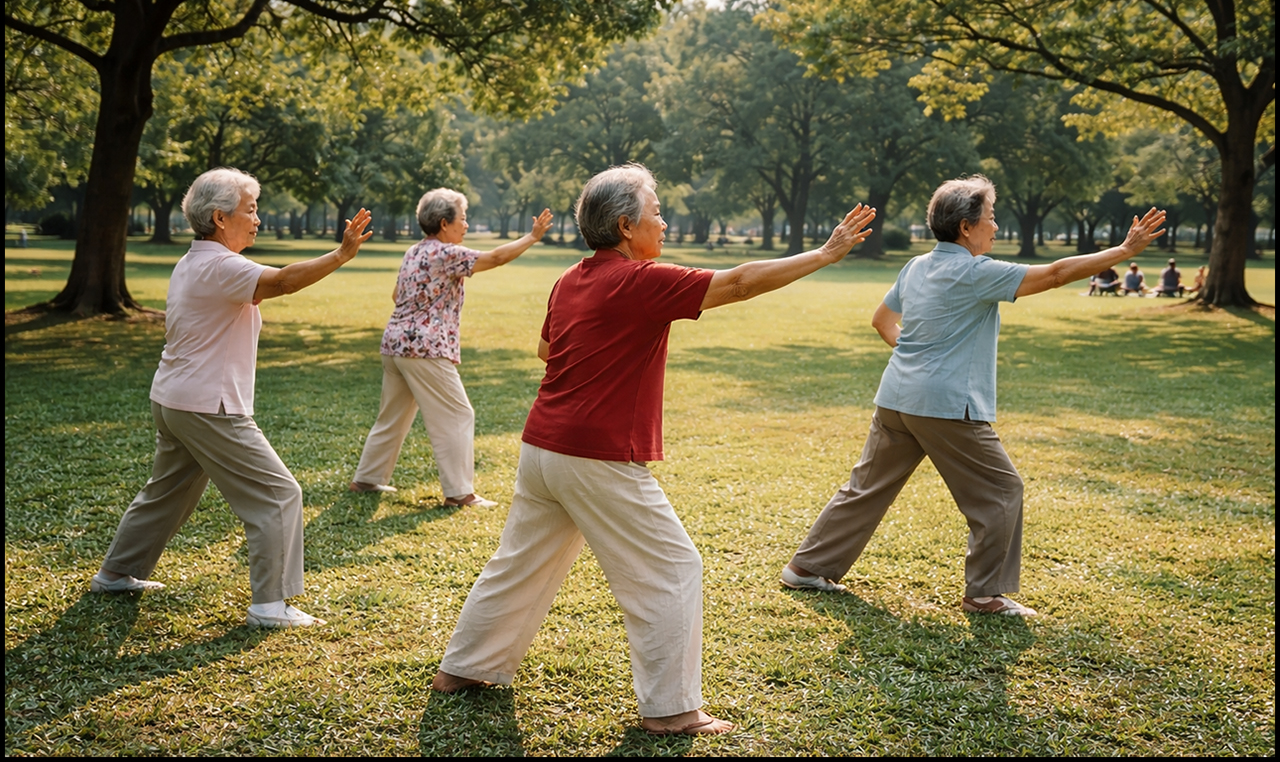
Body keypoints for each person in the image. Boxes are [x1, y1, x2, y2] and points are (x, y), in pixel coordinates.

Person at [432, 164, 877, 735]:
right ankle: (672, 710)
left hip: (543, 448)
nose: (663, 222)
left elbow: (547, 350)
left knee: (519, 564)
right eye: (656, 211)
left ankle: (463, 668)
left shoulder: (571, 279)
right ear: (624, 225)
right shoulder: (638, 282)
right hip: (595, 456)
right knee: (673, 568)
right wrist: (822, 254)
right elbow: (738, 282)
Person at [782, 175, 1164, 617]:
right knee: (1002, 490)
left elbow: (883, 322)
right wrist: (1124, 252)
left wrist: (918, 358)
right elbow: (1057, 273)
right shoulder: (976, 272)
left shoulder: (916, 266)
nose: (996, 228)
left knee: (865, 488)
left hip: (896, 398)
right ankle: (984, 594)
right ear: (966, 226)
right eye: (991, 218)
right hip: (945, 405)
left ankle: (805, 568)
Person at [91, 167, 372, 628]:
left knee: (168, 492)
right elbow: (281, 282)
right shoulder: (221, 265)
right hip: (207, 405)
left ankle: (116, 573)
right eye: (251, 209)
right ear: (220, 218)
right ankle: (270, 605)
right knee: (279, 495)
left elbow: (261, 288)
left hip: (174, 399)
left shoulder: (195, 261)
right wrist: (341, 254)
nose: (258, 218)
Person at [349, 190, 554, 506]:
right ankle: (460, 493)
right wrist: (532, 237)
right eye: (463, 218)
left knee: (392, 416)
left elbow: (396, 295)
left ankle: (366, 479)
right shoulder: (446, 254)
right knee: (458, 414)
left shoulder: (414, 253)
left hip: (394, 344)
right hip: (425, 349)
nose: (467, 225)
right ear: (444, 223)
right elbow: (496, 257)